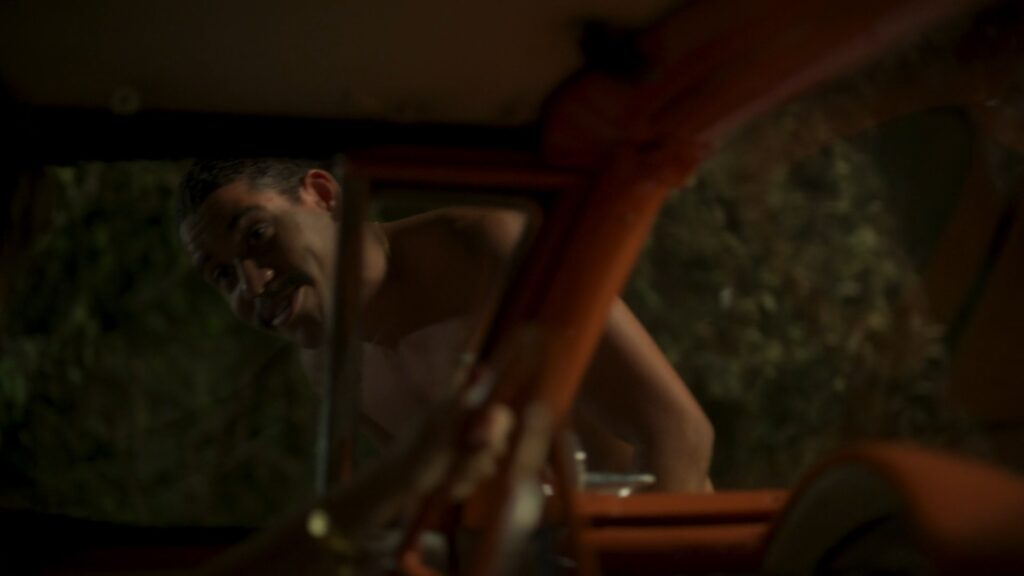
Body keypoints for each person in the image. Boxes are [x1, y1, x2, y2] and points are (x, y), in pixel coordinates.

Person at [178, 157, 713, 492]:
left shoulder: (486, 249)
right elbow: (434, 504)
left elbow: (677, 432)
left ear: (323, 195)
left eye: (258, 236)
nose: (253, 285)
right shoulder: (325, 367)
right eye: (223, 276)